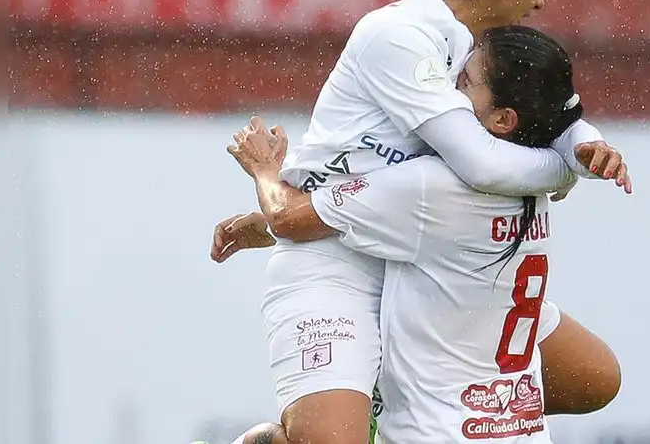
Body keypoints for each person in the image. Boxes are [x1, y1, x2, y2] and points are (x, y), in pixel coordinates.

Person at [219, 0, 626, 443]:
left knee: (593, 379)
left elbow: (547, 107)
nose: (541, 3)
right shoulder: (399, 38)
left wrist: (587, 144)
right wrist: (563, 172)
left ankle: (386, 400)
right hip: (336, 255)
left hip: (419, 252)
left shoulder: (477, 49)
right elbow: (481, 163)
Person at [218, 26, 614, 443]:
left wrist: (264, 169)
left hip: (434, 433)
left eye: (465, 82)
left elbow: (288, 216)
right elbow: (402, 223)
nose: (448, 91)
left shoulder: (433, 186)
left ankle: (374, 397)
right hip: (518, 431)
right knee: (599, 375)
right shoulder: (540, 172)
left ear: (503, 119)